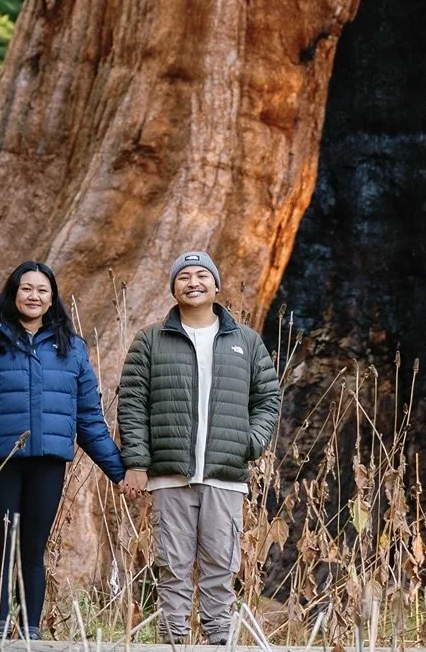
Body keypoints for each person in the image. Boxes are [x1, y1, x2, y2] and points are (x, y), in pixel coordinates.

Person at [0, 260, 126, 640]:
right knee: (1, 546)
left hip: (48, 463)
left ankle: (30, 633)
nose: (34, 296)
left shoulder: (70, 348)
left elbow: (89, 419)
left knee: (33, 549)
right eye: (27, 288)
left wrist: (120, 473)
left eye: (43, 290)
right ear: (13, 293)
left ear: (52, 298)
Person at [117, 251, 281, 646]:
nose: (193, 282)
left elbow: (268, 399)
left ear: (216, 285)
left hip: (225, 474)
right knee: (172, 565)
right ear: (173, 288)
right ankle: (173, 641)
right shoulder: (150, 340)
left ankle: (218, 640)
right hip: (170, 473)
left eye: (202, 275)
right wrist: (136, 461)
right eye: (184, 276)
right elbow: (132, 403)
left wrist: (250, 442)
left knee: (221, 566)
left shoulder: (246, 341)